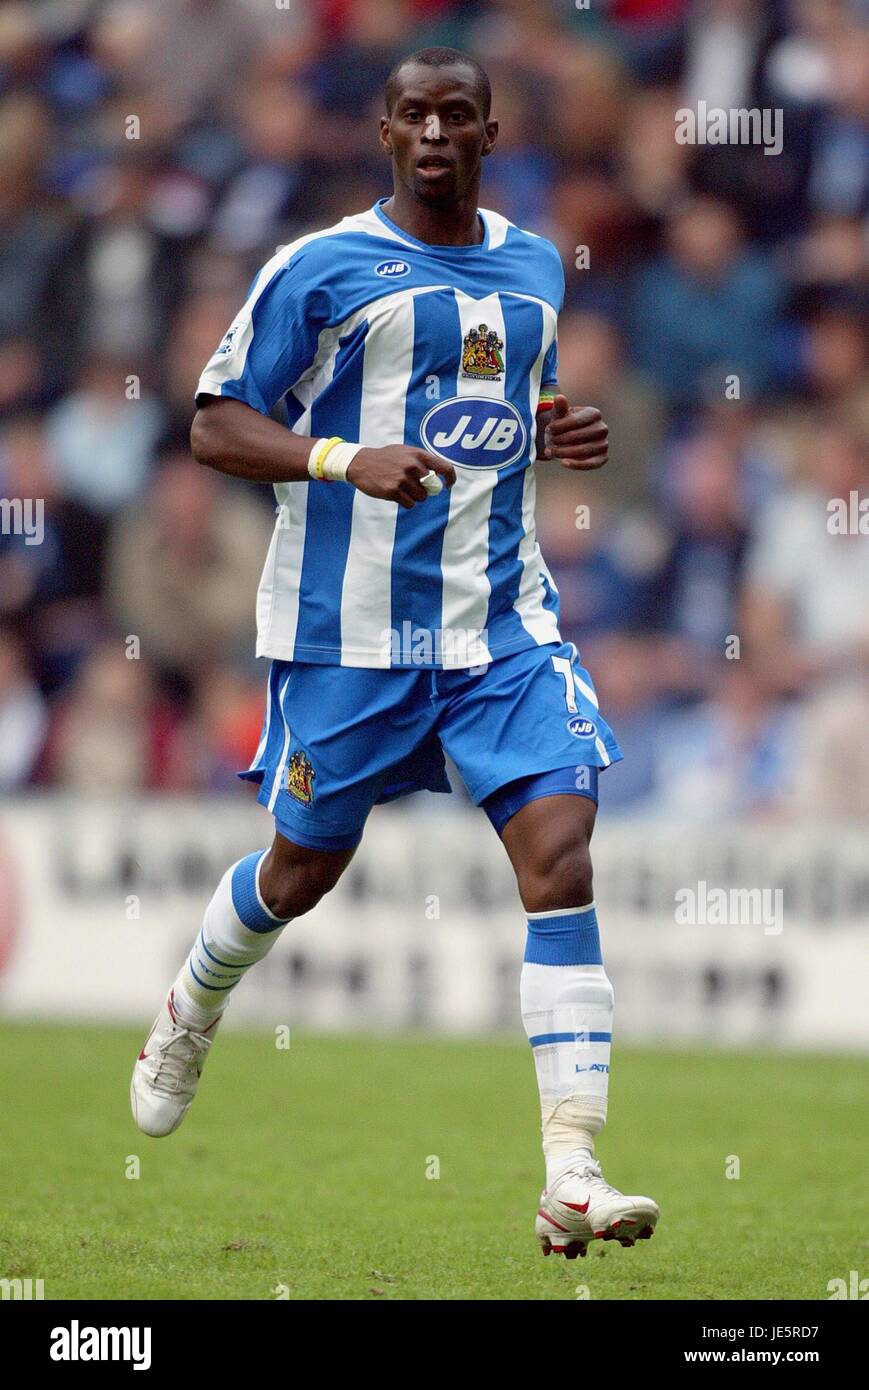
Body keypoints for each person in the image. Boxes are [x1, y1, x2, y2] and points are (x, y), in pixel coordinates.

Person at [130, 46, 659, 1260]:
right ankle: (194, 1002)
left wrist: (545, 425)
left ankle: (569, 1171)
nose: (433, 132)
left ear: (486, 132)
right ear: (382, 134)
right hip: (347, 638)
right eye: (412, 114)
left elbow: (476, 411)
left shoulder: (532, 269)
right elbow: (211, 425)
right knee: (300, 872)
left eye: (454, 115)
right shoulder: (315, 269)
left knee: (560, 849)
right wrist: (338, 458)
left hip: (498, 628)